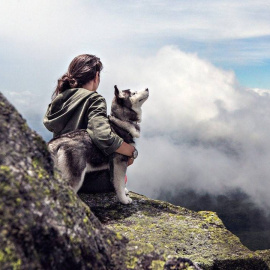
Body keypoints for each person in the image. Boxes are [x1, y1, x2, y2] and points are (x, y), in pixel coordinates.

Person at [43, 54, 136, 186]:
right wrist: (131, 151)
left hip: (60, 172)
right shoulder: (94, 99)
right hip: (85, 177)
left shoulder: (59, 99)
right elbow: (102, 135)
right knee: (121, 177)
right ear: (96, 75)